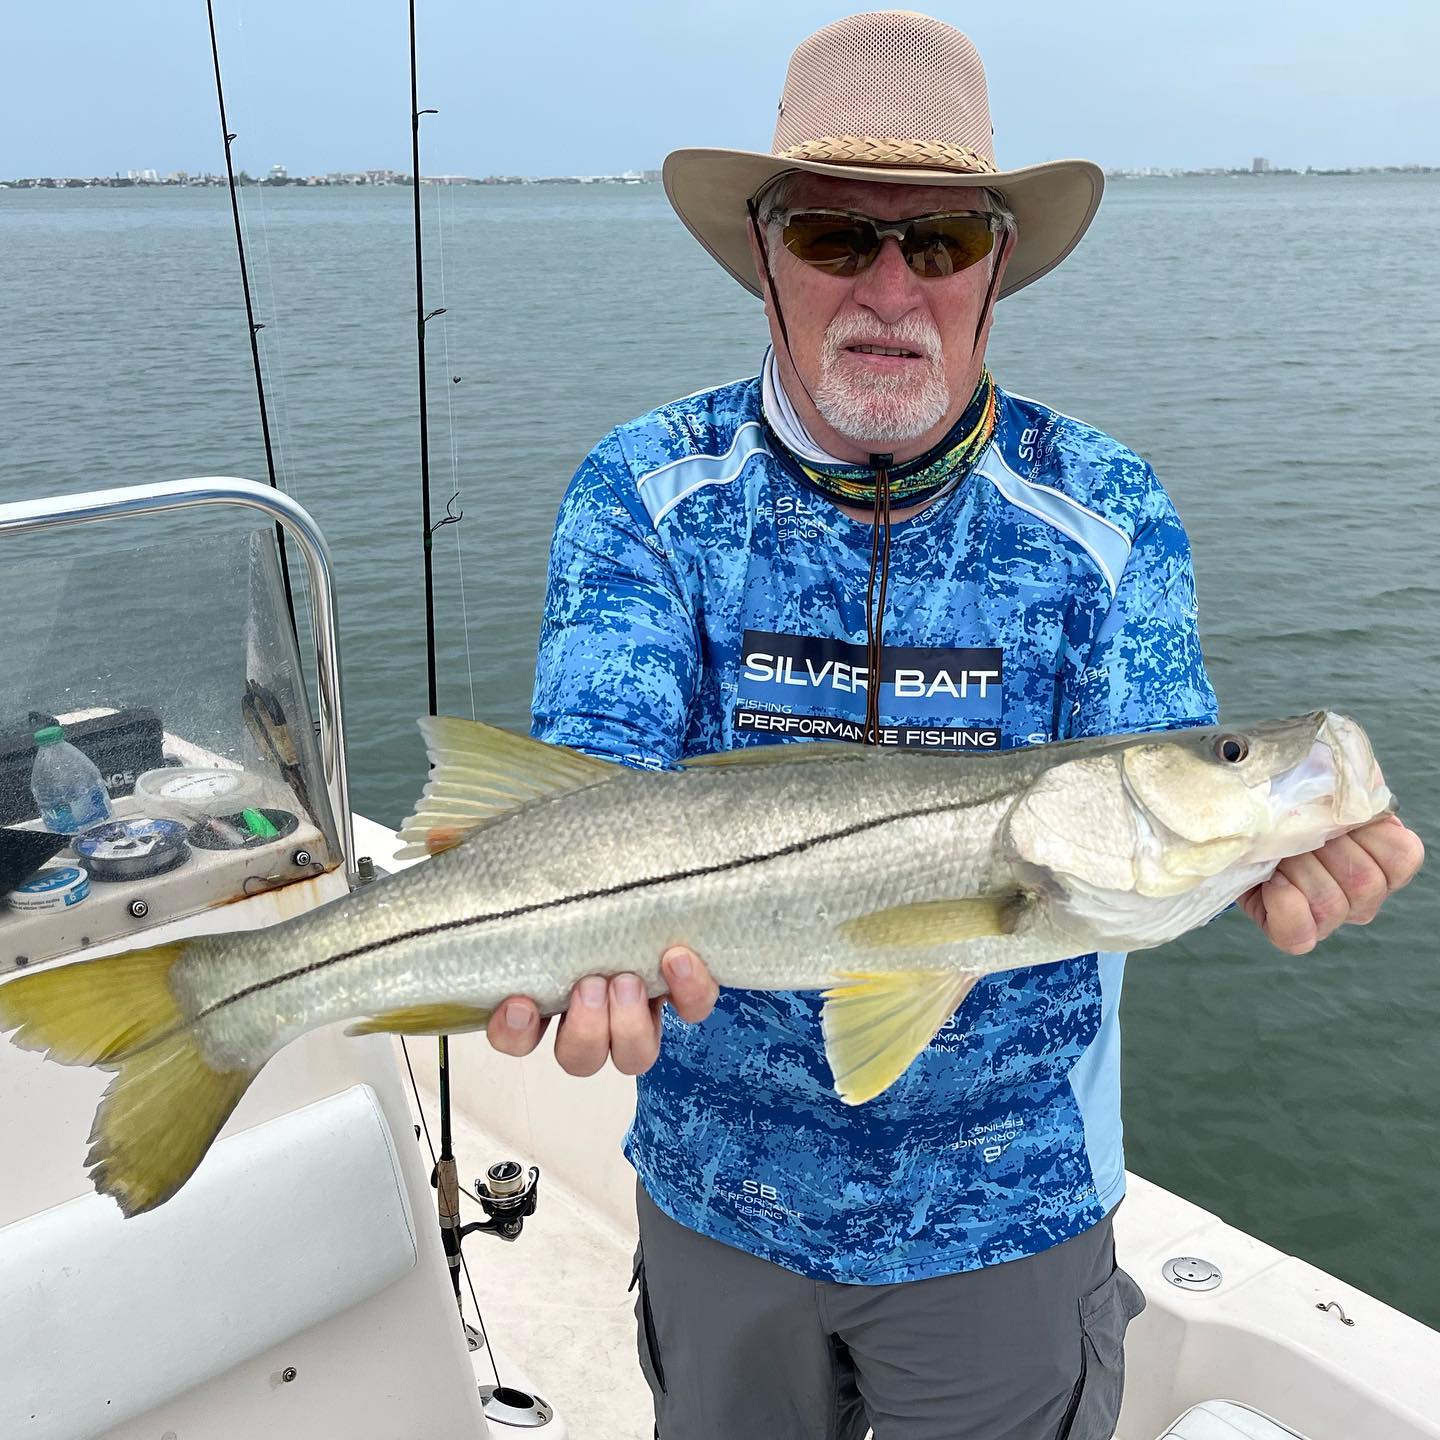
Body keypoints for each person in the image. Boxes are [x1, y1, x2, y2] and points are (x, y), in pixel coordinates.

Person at [486, 12, 1425, 1439]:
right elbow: (591, 781)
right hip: (715, 1193)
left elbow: (1156, 777)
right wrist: (571, 946)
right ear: (763, 256)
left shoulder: (1105, 512)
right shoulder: (646, 488)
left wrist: (1268, 849)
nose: (889, 288)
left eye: (939, 242)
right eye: (832, 235)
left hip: (1012, 1214)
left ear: (997, 266)